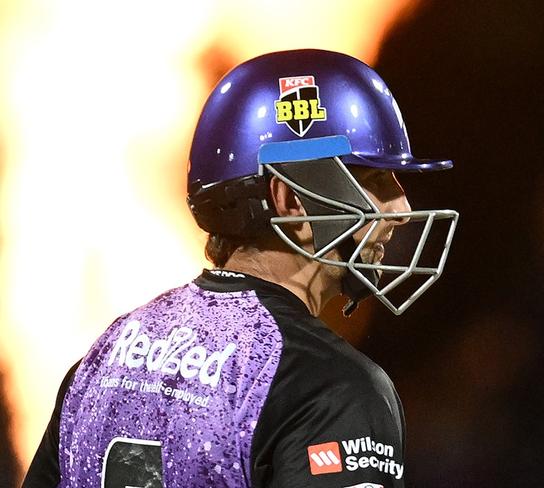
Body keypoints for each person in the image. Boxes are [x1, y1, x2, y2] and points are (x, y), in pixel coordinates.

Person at [23, 49, 458, 487]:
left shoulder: (106, 354)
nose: (400, 209)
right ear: (294, 203)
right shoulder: (328, 387)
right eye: (375, 181)